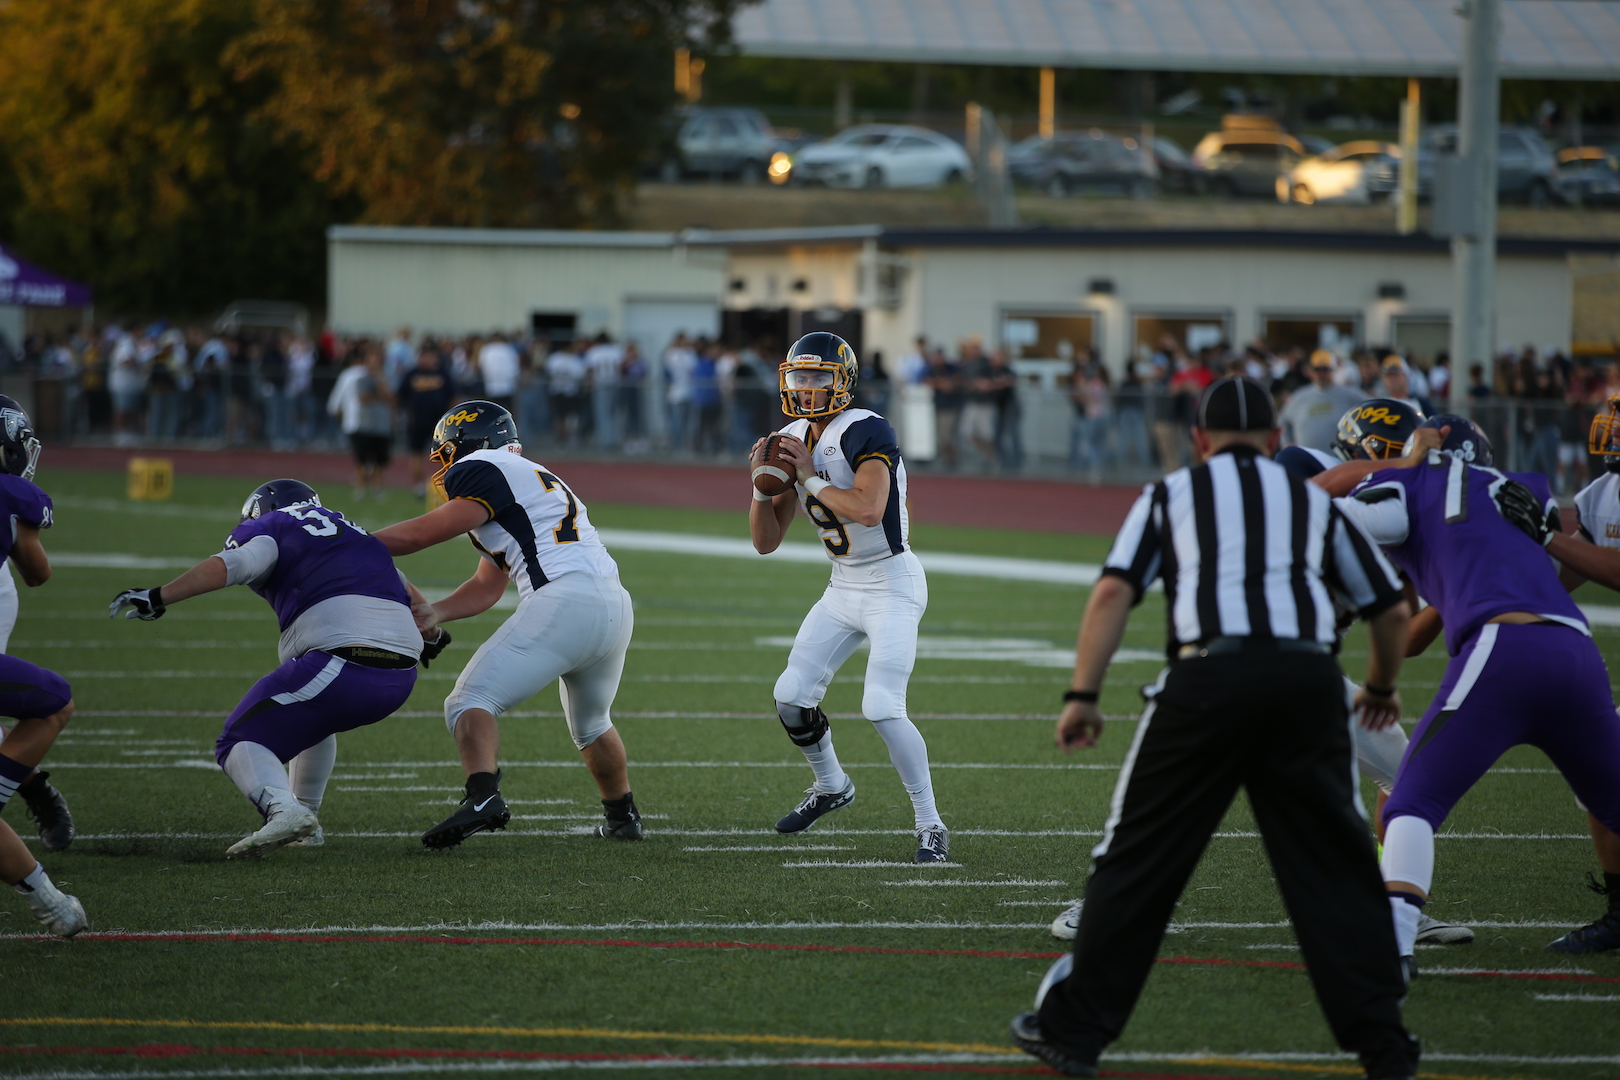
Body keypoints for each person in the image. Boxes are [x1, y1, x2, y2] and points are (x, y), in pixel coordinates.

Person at [1011, 376, 1418, 1080]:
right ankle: (1384, 1044)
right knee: (1335, 867)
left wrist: (1083, 693)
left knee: (1138, 859)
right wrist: (1380, 687)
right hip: (1305, 684)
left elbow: (1113, 591)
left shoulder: (1170, 493)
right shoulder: (1311, 501)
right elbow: (1389, 610)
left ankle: (1074, 1035)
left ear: (1199, 441)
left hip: (1205, 681)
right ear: (1276, 440)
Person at [1337, 416, 1620, 975]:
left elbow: (1321, 513)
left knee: (1411, 802)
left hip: (1501, 650)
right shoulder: (1521, 492)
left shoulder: (1408, 483)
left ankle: (1394, 943)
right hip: (1576, 652)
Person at [110, 479, 436, 858]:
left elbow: (236, 563)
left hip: (343, 664)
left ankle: (283, 810)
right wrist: (435, 635)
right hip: (401, 677)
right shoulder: (355, 532)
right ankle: (306, 824)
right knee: (311, 720)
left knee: (238, 738)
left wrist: (158, 595)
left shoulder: (274, 525)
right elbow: (409, 593)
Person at [373, 401, 642, 848]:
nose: (444, 467)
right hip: (613, 605)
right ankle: (623, 817)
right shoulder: (527, 478)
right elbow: (487, 586)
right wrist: (437, 611)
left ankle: (483, 797)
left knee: (469, 700)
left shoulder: (481, 466)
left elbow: (420, 534)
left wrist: (349, 542)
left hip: (563, 601)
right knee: (593, 723)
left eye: (446, 454)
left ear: (469, 445)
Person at [749, 333, 947, 863]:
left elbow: (867, 509)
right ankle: (831, 785)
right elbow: (766, 542)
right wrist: (761, 489)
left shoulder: (865, 428)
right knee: (791, 696)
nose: (805, 387)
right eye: (799, 376)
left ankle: (930, 823)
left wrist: (807, 478)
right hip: (842, 585)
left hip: (892, 583)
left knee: (882, 705)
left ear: (842, 381)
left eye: (818, 377)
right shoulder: (790, 437)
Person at [1482, 392, 1620, 952]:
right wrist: (1499, 566)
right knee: (1604, 777)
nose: (1612, 427)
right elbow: (1563, 573)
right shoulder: (1602, 493)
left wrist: (1544, 536)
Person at [0, 398, 75, 857]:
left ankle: (37, 792)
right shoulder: (12, 493)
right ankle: (34, 792)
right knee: (53, 703)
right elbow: (38, 572)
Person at [1279, 350, 1369, 452]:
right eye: (1317, 370)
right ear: (1310, 371)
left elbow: (1372, 411)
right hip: (1307, 459)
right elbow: (1283, 422)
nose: (1321, 374)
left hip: (1340, 458)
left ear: (1334, 370)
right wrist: (1287, 443)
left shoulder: (1351, 395)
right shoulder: (1298, 397)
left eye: (1325, 370)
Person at [397, 348, 457, 498]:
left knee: (446, 454)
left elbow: (453, 396)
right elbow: (400, 396)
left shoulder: (443, 374)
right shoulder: (412, 374)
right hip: (416, 420)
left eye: (430, 356)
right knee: (416, 453)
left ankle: (448, 484)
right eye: (424, 356)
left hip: (441, 422)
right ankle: (419, 486)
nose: (427, 359)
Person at [478, 333, 521, 416]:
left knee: (493, 412)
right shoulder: (508, 349)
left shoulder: (487, 349)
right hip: (508, 387)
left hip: (491, 387)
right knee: (507, 412)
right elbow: (515, 368)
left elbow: (482, 366)